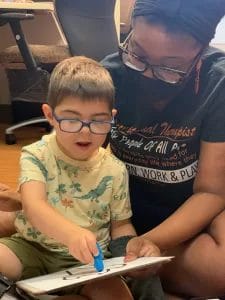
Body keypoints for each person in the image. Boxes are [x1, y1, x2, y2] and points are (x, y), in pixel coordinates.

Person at [1, 0, 225, 298]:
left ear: (201, 52)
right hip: (111, 210)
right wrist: (32, 199)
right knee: (30, 215)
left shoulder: (217, 83)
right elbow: (74, 158)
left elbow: (211, 191)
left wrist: (150, 243)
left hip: (180, 216)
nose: (146, 74)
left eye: (171, 67)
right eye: (137, 54)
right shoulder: (110, 77)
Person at [0, 56, 161, 300]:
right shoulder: (36, 155)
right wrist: (72, 234)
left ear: (111, 117)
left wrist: (134, 245)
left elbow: (120, 225)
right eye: (72, 119)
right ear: (50, 115)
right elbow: (33, 207)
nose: (85, 130)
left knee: (117, 295)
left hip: (88, 264)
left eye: (98, 121)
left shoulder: (115, 169)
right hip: (32, 248)